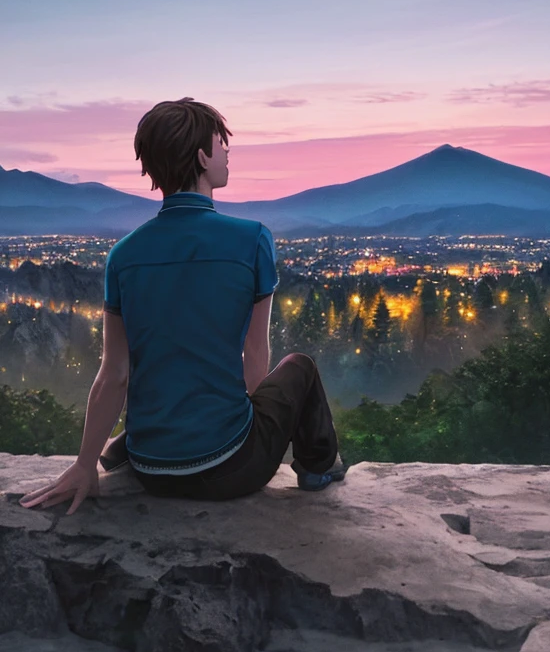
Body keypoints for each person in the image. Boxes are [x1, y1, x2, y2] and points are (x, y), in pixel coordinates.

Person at [19, 97, 346, 515]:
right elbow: (256, 355)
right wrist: (242, 417)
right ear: (201, 157)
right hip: (230, 468)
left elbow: (114, 374)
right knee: (300, 365)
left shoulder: (124, 254)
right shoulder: (252, 240)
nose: (228, 152)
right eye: (221, 144)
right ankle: (320, 467)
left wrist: (86, 464)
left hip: (151, 469)